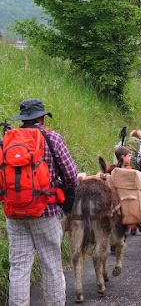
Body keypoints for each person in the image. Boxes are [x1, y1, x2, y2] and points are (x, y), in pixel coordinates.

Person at [5, 98, 78, 306]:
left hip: (15, 213)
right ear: (41, 117)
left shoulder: (8, 139)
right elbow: (72, 176)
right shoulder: (52, 137)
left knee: (18, 267)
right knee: (51, 265)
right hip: (45, 211)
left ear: (23, 119)